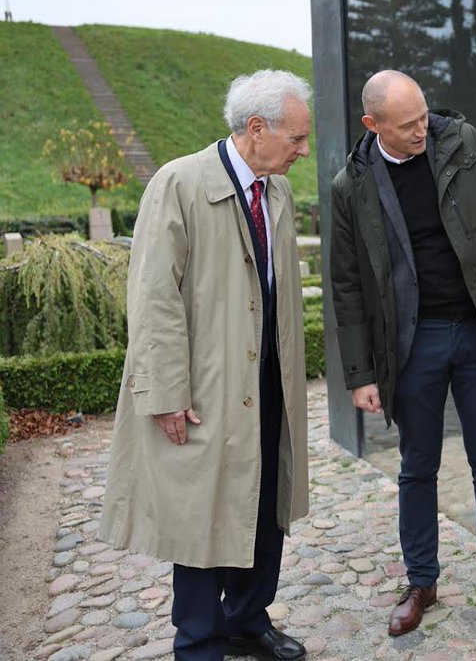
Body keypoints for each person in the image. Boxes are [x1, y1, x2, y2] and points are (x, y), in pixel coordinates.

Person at [99, 70, 312, 661]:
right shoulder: (179, 182)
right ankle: (198, 642)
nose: (303, 150)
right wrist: (164, 391)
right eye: (296, 138)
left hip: (268, 379)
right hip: (205, 386)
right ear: (256, 128)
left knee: (266, 505)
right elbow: (152, 296)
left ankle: (247, 620)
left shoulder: (278, 191)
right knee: (201, 516)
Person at [329, 70, 476, 635]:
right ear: (373, 126)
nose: (423, 129)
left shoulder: (463, 144)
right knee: (417, 467)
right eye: (408, 124)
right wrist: (360, 372)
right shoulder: (351, 186)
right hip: (411, 343)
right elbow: (346, 285)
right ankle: (421, 582)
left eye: (424, 116)